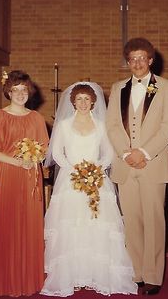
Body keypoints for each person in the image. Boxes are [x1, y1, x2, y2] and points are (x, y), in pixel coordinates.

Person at [40, 82, 137, 297]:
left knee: (97, 224)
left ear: (93, 101)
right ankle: (72, 274)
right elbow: (57, 153)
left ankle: (97, 274)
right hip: (71, 179)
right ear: (72, 102)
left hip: (97, 178)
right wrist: (76, 171)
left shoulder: (102, 125)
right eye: (79, 99)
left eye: (87, 98)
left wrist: (95, 169)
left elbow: (109, 153)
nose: (83, 103)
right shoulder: (64, 125)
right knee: (72, 225)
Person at [106, 37, 168, 295]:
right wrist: (126, 154)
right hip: (126, 165)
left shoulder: (167, 87)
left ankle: (153, 275)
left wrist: (144, 152)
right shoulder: (118, 88)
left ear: (150, 60)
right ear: (128, 62)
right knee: (132, 221)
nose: (137, 63)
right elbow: (112, 124)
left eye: (141, 58)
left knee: (154, 220)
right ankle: (136, 272)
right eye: (132, 59)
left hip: (153, 163)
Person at [0, 70, 49, 296]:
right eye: (16, 90)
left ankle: (28, 281)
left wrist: (34, 158)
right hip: (7, 176)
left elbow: (44, 149)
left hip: (30, 176)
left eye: (24, 90)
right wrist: (15, 161)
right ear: (8, 92)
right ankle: (5, 281)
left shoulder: (36, 118)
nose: (21, 94)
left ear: (29, 92)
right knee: (7, 223)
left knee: (29, 224)